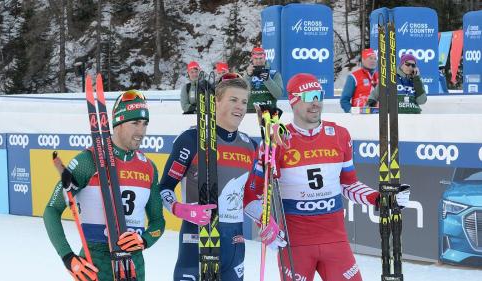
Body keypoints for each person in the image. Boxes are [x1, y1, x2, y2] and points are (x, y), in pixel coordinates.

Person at [244, 73, 411, 281]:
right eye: (308, 97)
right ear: (293, 101)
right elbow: (251, 194)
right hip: (295, 243)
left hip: (335, 240)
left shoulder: (340, 135)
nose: (315, 103)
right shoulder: (276, 139)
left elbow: (348, 185)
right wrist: (265, 222)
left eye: (318, 95)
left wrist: (380, 199)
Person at [159, 74, 274, 281]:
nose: (240, 106)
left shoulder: (250, 146)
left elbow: (248, 195)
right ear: (216, 101)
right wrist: (180, 208)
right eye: (233, 100)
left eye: (244, 101)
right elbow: (164, 188)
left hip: (234, 241)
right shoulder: (190, 139)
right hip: (196, 239)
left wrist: (264, 219)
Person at [43, 90, 165, 281]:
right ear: (117, 123)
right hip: (95, 265)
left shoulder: (148, 167)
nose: (141, 131)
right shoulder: (88, 161)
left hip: (134, 268)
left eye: (144, 123)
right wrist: (68, 257)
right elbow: (51, 210)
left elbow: (158, 222)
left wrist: (145, 240)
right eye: (135, 123)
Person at [243, 47, 283, 113]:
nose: (258, 61)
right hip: (250, 112)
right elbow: (243, 94)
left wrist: (268, 80)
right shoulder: (247, 74)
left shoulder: (274, 73)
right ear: (252, 59)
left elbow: (278, 95)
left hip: (269, 111)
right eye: (256, 58)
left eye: (261, 58)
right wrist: (248, 76)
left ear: (265, 58)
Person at [340, 48, 378, 112]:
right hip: (360, 116)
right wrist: (351, 112)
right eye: (370, 58)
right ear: (363, 60)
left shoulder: (381, 77)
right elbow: (344, 100)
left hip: (379, 116)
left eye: (375, 59)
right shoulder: (353, 77)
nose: (373, 61)